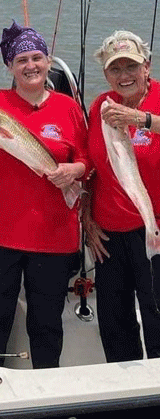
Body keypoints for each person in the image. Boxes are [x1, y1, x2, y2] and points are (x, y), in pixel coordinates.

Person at [0, 21, 88, 369]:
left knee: (46, 324)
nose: (31, 65)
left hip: (53, 238)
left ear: (48, 62)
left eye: (37, 57)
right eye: (22, 59)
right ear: (10, 67)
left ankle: (46, 388)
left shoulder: (68, 107)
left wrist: (73, 171)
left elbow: (88, 161)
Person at [82, 30, 160, 363]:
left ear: (147, 66)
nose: (124, 75)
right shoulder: (101, 105)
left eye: (131, 66)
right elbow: (92, 168)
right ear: (106, 74)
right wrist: (86, 217)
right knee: (115, 322)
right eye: (116, 69)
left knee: (156, 316)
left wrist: (142, 120)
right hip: (108, 236)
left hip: (153, 232)